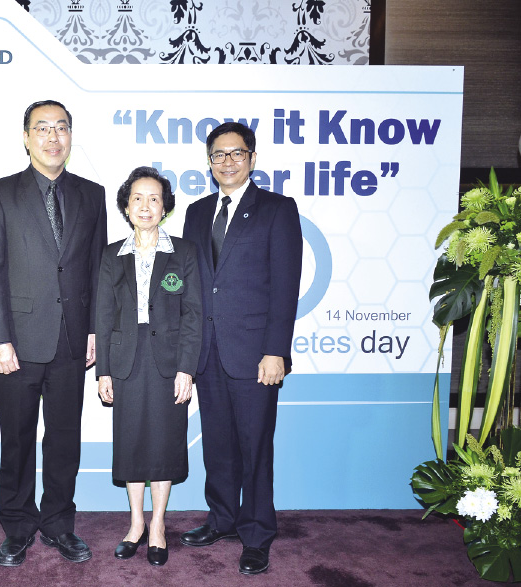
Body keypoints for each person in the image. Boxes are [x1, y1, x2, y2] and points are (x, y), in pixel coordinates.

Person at [0, 99, 107, 567]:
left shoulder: (92, 194)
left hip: (72, 341)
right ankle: (16, 526)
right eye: (43, 128)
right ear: (26, 137)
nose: (53, 137)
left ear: (71, 135)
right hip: (17, 342)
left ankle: (58, 524)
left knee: (64, 439)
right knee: (16, 439)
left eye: (61, 128)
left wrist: (95, 331)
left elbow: (96, 268)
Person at [180, 122, 302, 575]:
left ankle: (256, 533)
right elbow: (192, 283)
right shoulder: (196, 212)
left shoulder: (276, 209)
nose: (227, 161)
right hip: (208, 352)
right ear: (209, 161)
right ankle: (222, 519)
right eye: (219, 154)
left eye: (237, 153)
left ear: (252, 158)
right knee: (217, 445)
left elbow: (285, 287)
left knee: (255, 447)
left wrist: (276, 351)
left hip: (255, 355)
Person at [95, 166, 201, 567]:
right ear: (126, 206)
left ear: (165, 207)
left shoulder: (184, 252)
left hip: (168, 362)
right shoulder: (112, 255)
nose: (145, 206)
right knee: (132, 443)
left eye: (154, 198)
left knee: (164, 442)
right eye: (137, 198)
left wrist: (187, 368)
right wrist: (103, 370)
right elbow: (103, 315)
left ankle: (158, 526)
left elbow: (193, 315)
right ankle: (136, 523)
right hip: (125, 358)